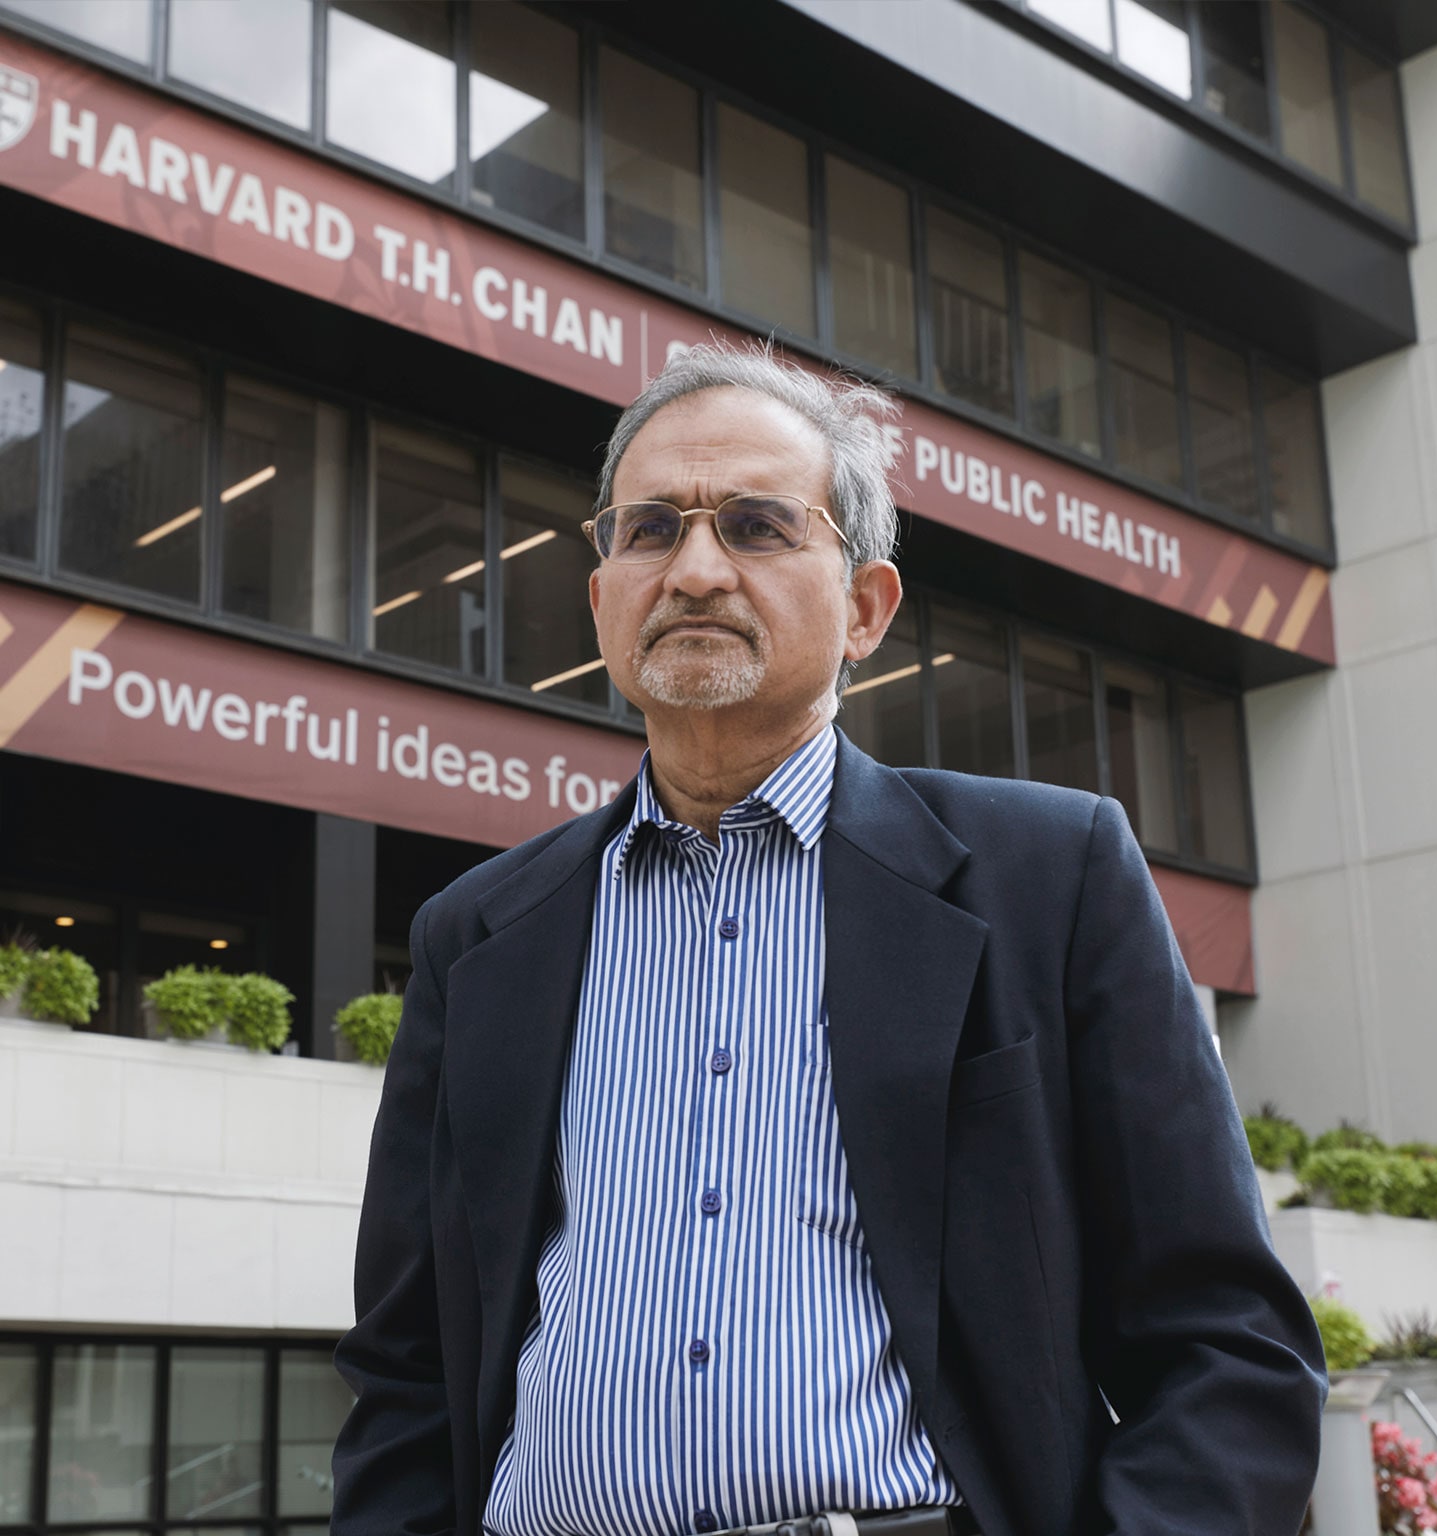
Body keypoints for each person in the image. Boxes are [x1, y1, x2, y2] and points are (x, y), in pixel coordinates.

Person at [331, 342, 1326, 1536]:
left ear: (865, 608)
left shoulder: (1049, 880)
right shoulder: (477, 934)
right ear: (603, 597)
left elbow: (1227, 1340)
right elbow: (407, 1369)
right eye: (649, 531)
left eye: (756, 525)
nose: (694, 570)